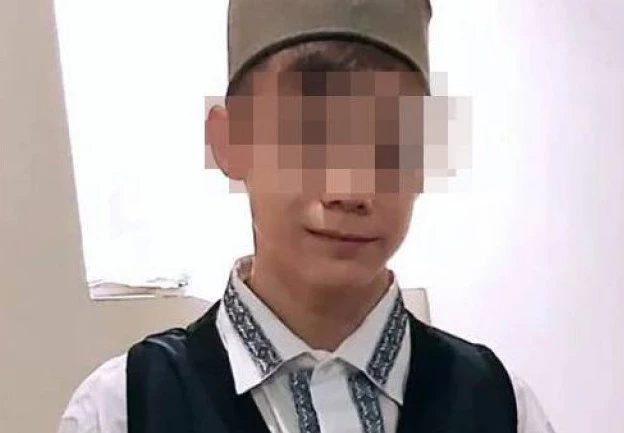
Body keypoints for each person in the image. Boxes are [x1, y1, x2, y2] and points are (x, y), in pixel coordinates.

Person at [58, 0, 557, 432]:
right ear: (228, 141)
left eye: (391, 144)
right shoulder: (124, 410)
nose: (351, 190)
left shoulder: (502, 407)